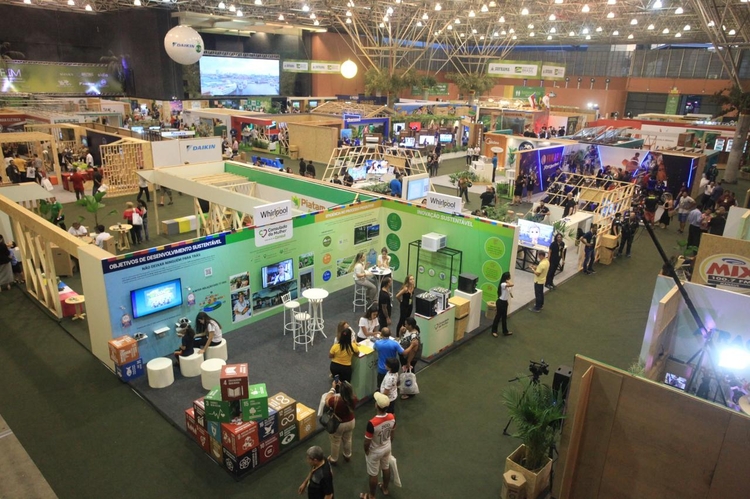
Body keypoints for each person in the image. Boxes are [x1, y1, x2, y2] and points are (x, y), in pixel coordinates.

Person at [361, 392, 396, 499]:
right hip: (387, 447)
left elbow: (367, 441)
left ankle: (371, 496)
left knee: (373, 474)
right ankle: (385, 488)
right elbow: (392, 433)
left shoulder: (372, 423)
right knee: (385, 467)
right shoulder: (392, 417)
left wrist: (366, 450)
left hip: (375, 451)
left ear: (377, 405)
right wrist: (389, 443)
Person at [325, 380, 358, 466]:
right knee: (348, 439)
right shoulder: (354, 399)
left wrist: (333, 388)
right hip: (351, 422)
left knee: (335, 442)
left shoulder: (335, 400)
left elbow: (326, 400)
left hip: (338, 424)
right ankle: (347, 455)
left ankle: (334, 459)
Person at [490, 272, 514, 337]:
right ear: (507, 277)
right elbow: (512, 284)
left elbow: (508, 291)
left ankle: (505, 331)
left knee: (504, 317)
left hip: (505, 302)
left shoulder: (506, 284)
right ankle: (494, 331)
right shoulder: (503, 284)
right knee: (498, 317)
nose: (510, 277)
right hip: (500, 302)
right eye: (509, 276)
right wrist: (508, 281)